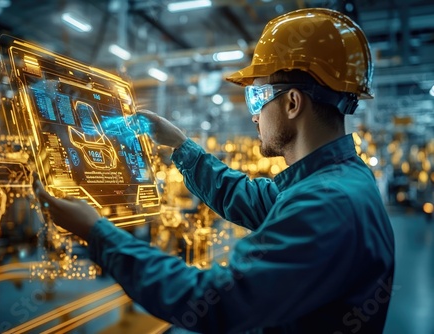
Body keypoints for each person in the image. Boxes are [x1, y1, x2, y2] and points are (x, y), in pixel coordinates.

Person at [34, 8, 395, 333]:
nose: (253, 115)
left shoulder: (326, 205)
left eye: (256, 98)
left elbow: (214, 300)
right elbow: (251, 198)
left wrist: (97, 234)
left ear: (292, 103)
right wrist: (180, 146)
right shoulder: (332, 181)